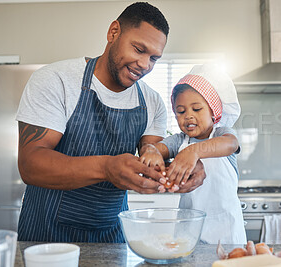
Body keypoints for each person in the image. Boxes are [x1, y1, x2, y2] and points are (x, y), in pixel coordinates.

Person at [16, 2, 206, 243]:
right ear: (113, 32)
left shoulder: (151, 102)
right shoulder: (56, 81)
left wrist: (181, 168)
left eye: (154, 58)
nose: (145, 65)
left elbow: (152, 157)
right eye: (139, 49)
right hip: (45, 235)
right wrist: (106, 168)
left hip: (111, 237)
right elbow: (30, 164)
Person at [140, 63, 247, 244]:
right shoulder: (179, 141)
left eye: (196, 109)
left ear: (214, 112)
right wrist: (150, 151)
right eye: (180, 111)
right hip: (189, 229)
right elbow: (154, 148)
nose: (188, 116)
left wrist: (194, 151)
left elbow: (231, 144)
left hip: (226, 229)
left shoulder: (222, 134)